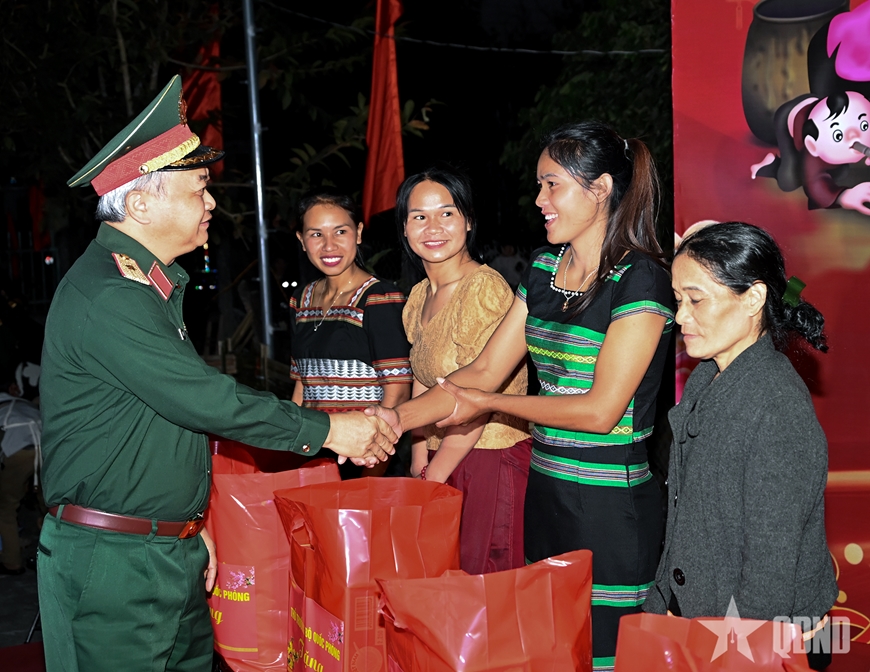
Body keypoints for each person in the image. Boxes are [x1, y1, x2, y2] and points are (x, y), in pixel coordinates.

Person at [38, 76, 395, 672]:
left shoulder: (148, 286)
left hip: (163, 548)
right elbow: (204, 400)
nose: (211, 204)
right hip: (115, 564)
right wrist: (332, 429)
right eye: (200, 189)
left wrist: (189, 524)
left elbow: (167, 423)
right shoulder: (112, 296)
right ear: (142, 204)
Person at [369, 122, 674, 671]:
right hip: (546, 495)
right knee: (548, 651)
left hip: (610, 509)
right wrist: (392, 420)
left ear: (600, 188)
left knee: (606, 657)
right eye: (539, 186)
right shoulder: (543, 268)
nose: (539, 200)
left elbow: (600, 411)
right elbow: (484, 370)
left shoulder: (641, 279)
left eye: (552, 185)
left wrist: (492, 405)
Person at [643, 222, 838, 671]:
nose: (680, 317)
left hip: (753, 642)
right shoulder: (707, 378)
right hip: (702, 621)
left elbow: (768, 579)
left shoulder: (777, 407)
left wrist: (732, 654)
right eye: (677, 300)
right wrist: (663, 605)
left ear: (753, 299)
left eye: (696, 300)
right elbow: (687, 518)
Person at [396, 166, 531, 574]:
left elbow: (478, 396)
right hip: (441, 458)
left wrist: (433, 475)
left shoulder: (483, 289)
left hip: (488, 456)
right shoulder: (419, 296)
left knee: (483, 584)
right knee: (443, 580)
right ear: (404, 228)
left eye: (447, 213)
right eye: (419, 216)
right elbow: (422, 381)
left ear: (469, 221)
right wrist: (419, 458)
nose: (433, 227)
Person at [290, 189, 412, 477]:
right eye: (316, 234)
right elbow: (301, 387)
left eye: (340, 232)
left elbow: (397, 393)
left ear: (358, 233)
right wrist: (292, 453)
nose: (329, 245)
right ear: (302, 241)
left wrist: (370, 476)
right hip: (315, 455)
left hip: (364, 459)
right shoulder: (301, 299)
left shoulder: (379, 299)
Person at [0, 379, 41, 575]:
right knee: (50, 505)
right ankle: (52, 556)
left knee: (5, 508)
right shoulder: (26, 404)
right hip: (48, 447)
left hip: (18, 450)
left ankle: (11, 562)